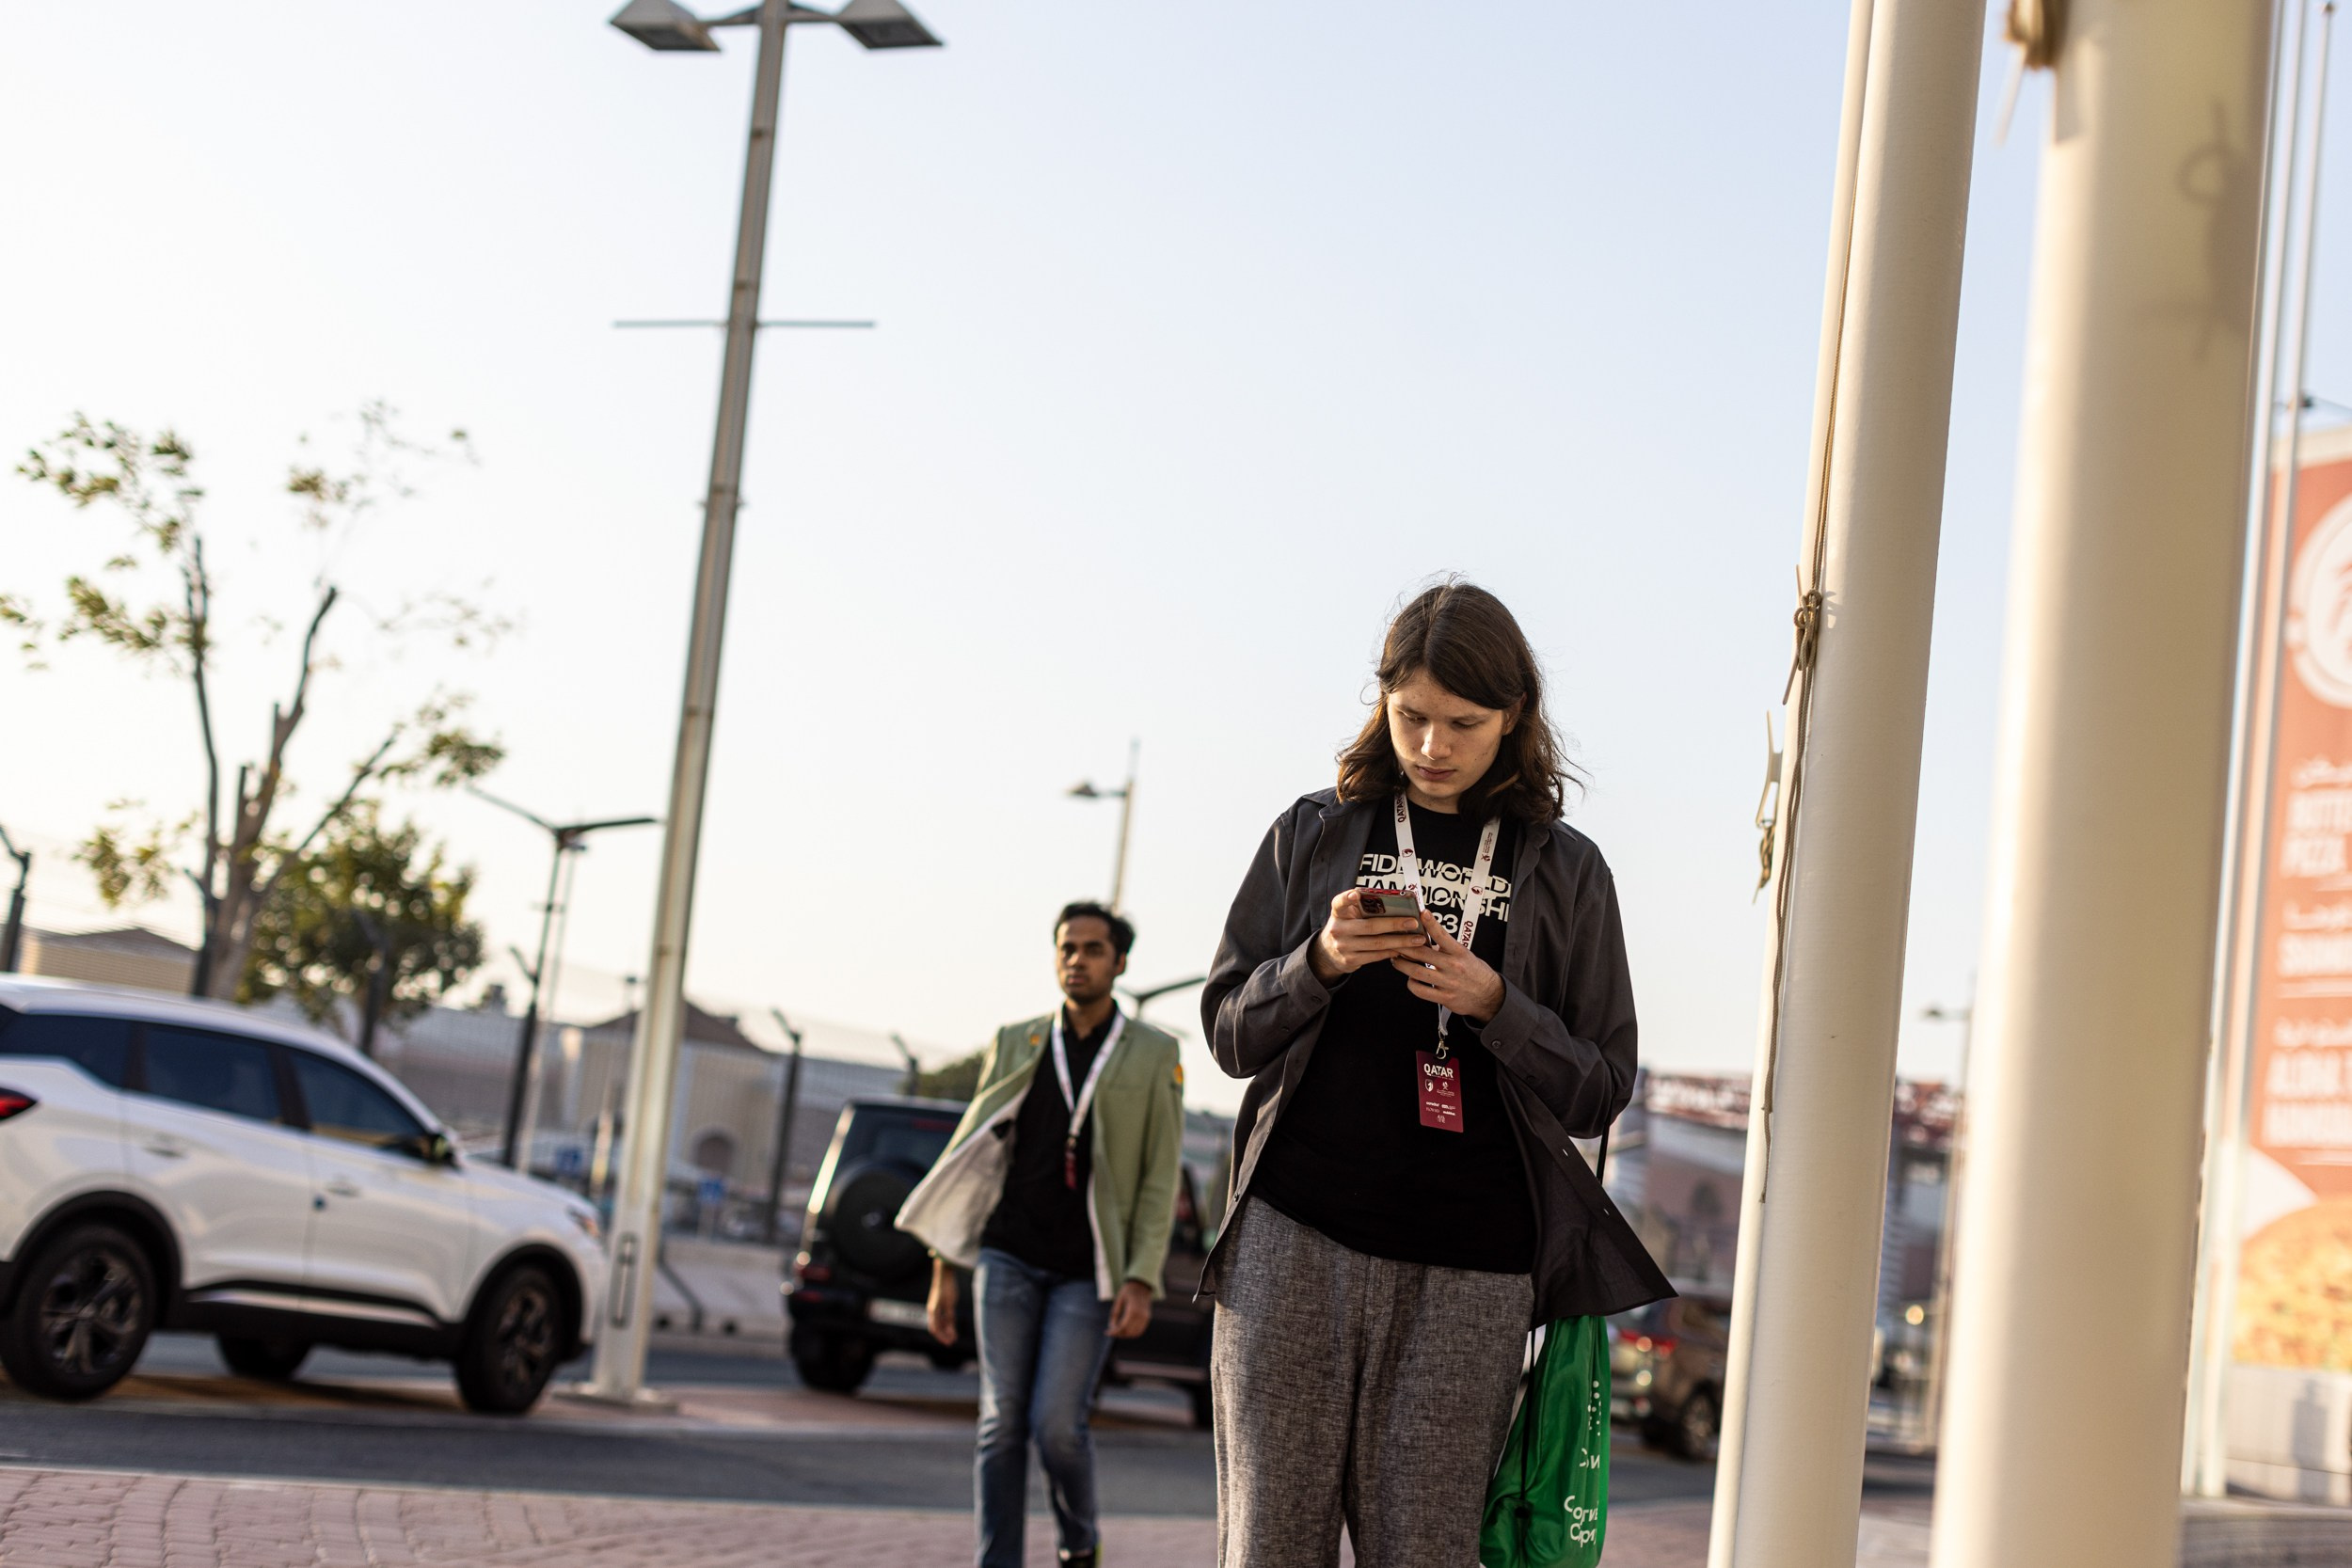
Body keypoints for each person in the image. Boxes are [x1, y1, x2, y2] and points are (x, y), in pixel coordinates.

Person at [1200, 581, 1672, 1568]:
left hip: (1473, 1266)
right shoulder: (1314, 831)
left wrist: (1497, 1004)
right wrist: (1317, 961)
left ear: (1514, 718)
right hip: (1293, 1241)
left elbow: (1600, 1083)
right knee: (1268, 1546)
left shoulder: (1568, 871)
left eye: (1463, 721)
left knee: (1424, 1550)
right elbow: (1230, 1033)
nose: (1431, 744)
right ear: (1382, 701)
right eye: (1410, 715)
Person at [896, 901, 1187, 1568]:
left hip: (1089, 1269)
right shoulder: (1019, 1038)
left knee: (1056, 1425)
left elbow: (1157, 1174)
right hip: (1008, 1255)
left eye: (1091, 949)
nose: (1076, 960)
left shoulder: (1153, 1052)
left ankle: (1079, 1537)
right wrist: (945, 1266)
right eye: (1066, 947)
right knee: (1000, 1425)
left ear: (1120, 962)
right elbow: (971, 1159)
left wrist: (1141, 1277)